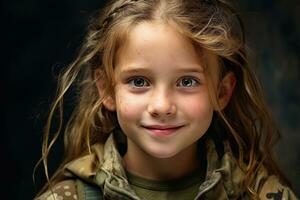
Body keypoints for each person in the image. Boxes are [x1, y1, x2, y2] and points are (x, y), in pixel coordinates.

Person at [35, 0, 298, 199]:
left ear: (221, 93)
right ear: (106, 90)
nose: (161, 106)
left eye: (187, 82)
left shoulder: (260, 193)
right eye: (139, 82)